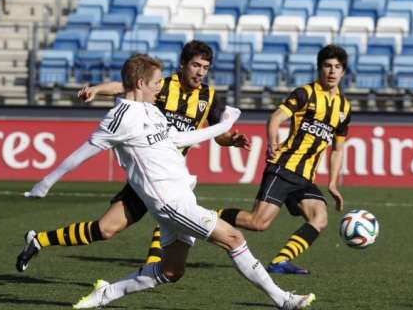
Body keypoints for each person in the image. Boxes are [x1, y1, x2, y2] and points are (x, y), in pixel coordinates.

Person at [19, 53, 315, 309]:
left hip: (183, 195)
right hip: (168, 203)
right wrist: (43, 184)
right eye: (157, 82)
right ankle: (283, 300)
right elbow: (79, 155)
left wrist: (224, 126)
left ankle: (106, 293)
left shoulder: (151, 110)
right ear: (141, 84)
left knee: (171, 271)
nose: (161, 86)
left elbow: (179, 138)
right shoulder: (118, 119)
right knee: (234, 238)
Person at [16, 40, 250, 271]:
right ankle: (39, 240)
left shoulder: (209, 96)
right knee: (106, 229)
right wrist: (97, 89)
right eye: (196, 66)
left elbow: (218, 134)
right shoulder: (162, 85)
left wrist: (231, 140)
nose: (201, 73)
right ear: (182, 65)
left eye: (205, 68)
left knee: (168, 221)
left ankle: (153, 272)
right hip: (146, 171)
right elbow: (125, 87)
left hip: (172, 175)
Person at [218, 44, 352, 275]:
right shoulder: (305, 93)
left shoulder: (344, 108)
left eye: (337, 67)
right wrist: (272, 141)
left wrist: (332, 183)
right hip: (284, 168)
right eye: (328, 66)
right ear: (320, 69)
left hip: (306, 178)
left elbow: (338, 149)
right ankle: (207, 217)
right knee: (258, 223)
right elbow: (275, 117)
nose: (332, 71)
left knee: (319, 218)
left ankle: (280, 262)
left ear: (343, 72)